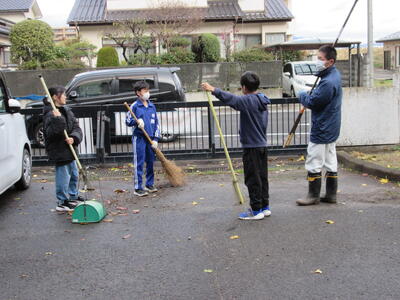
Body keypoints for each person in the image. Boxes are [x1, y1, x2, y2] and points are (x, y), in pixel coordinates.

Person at [201, 71, 271, 220]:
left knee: (252, 179)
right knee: (262, 177)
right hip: (262, 145)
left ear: (244, 87)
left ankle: (256, 210)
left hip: (252, 147)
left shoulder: (248, 101)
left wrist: (213, 89)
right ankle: (264, 207)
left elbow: (231, 99)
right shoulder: (262, 99)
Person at [296, 45, 342, 206]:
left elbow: (314, 102)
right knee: (330, 160)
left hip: (322, 127)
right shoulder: (333, 75)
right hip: (332, 126)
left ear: (330, 61)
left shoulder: (328, 82)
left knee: (314, 160)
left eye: (320, 59)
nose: (317, 61)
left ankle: (313, 195)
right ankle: (330, 195)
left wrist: (302, 94)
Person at [43, 86, 83, 212]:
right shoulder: (50, 114)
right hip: (59, 150)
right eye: (63, 94)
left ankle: (72, 196)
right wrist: (57, 119)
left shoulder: (67, 110)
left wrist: (74, 138)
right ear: (55, 97)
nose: (66, 97)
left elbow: (76, 127)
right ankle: (62, 201)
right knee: (63, 177)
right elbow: (52, 133)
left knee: (74, 175)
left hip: (70, 149)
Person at [126, 81, 160, 197]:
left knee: (150, 161)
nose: (147, 93)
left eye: (148, 90)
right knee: (139, 162)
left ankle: (149, 184)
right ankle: (138, 187)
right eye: (145, 91)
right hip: (139, 138)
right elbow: (127, 121)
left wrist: (156, 139)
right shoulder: (135, 106)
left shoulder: (151, 105)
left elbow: (156, 123)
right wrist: (136, 121)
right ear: (138, 93)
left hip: (150, 138)